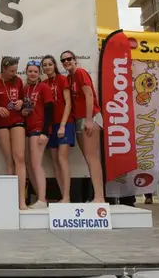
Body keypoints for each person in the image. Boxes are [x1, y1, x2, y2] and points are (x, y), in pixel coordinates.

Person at [61, 50, 105, 203]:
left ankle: (99, 196)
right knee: (89, 158)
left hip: (90, 117)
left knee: (92, 158)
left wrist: (88, 120)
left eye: (69, 59)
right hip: (79, 119)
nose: (67, 62)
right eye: (64, 60)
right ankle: (97, 195)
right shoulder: (69, 77)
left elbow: (89, 95)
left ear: (75, 59)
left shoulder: (80, 73)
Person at [0, 57, 27, 209]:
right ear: (3, 69)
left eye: (16, 70)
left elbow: (22, 98)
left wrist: (21, 102)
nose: (14, 74)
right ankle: (11, 199)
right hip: (0, 122)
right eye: (11, 71)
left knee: (19, 157)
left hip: (17, 119)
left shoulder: (18, 81)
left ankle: (22, 200)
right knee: (9, 160)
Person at [41, 55, 73, 203]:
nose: (47, 67)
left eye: (50, 64)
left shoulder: (62, 79)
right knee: (54, 161)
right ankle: (62, 196)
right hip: (50, 126)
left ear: (54, 65)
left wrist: (62, 125)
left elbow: (68, 103)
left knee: (62, 159)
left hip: (64, 124)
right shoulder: (44, 83)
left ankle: (67, 197)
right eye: (45, 65)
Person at [23, 61, 53, 209]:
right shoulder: (25, 89)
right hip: (27, 129)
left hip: (38, 129)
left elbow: (49, 110)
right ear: (26, 72)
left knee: (36, 164)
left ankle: (42, 199)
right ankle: (40, 197)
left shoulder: (44, 87)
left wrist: (44, 132)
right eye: (30, 71)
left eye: (35, 71)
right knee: (29, 165)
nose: (33, 74)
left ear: (39, 73)